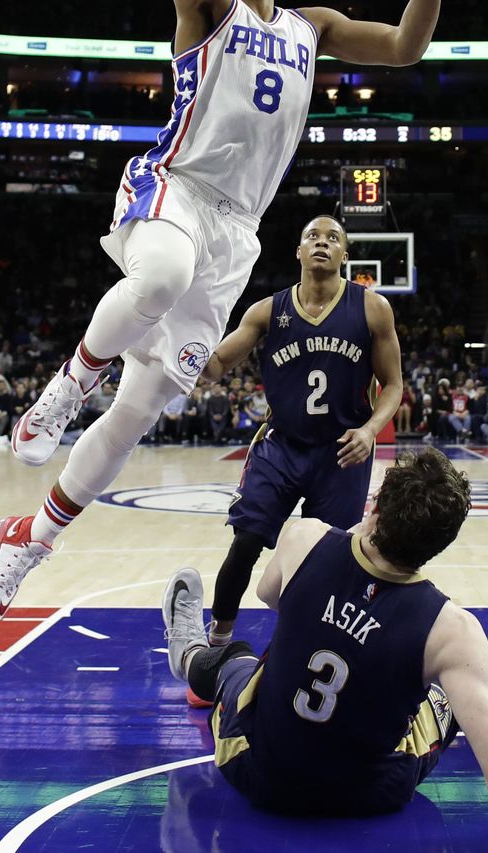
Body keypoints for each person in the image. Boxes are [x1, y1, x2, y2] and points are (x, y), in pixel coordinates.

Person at [0, 0, 487, 626]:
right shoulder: (206, 6)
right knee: (157, 276)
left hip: (236, 233)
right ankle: (67, 382)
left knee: (139, 409)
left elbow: (407, 45)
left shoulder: (312, 28)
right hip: (173, 186)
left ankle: (31, 537)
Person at [162, 448, 488, 827]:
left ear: (375, 506)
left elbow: (271, 597)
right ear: (442, 543)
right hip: (366, 794)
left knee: (238, 660)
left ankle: (189, 653)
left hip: (255, 773)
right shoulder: (450, 628)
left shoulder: (304, 538)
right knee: (468, 667)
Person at [196, 214, 402, 691]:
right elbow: (217, 364)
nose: (322, 243)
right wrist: (180, 343)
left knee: (330, 562)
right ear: (298, 250)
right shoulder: (267, 311)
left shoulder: (373, 309)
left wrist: (370, 430)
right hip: (282, 445)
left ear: (345, 254)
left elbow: (393, 384)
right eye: (312, 236)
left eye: (333, 238)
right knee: (245, 542)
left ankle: (306, 654)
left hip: (342, 453)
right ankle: (216, 645)